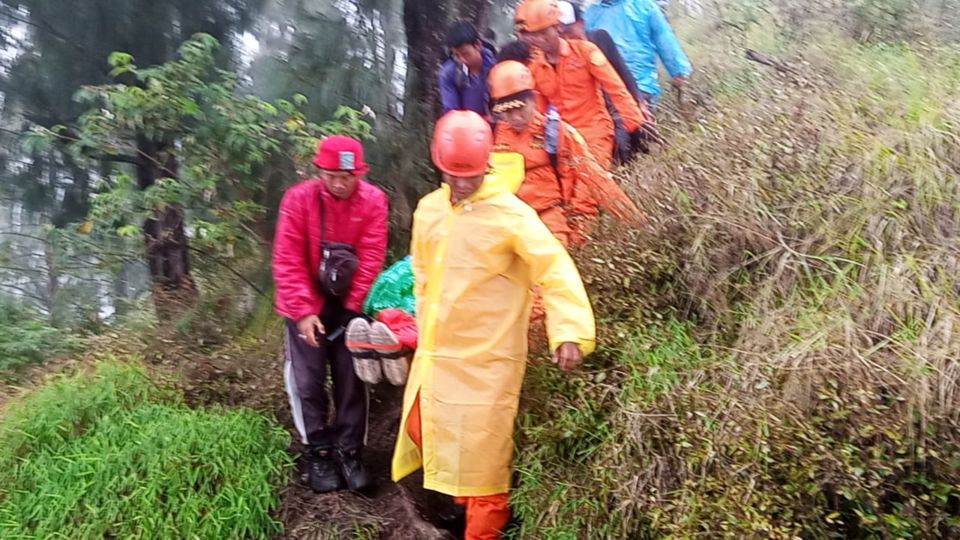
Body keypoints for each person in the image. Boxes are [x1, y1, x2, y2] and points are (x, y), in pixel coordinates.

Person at [391, 110, 596, 540]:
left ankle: (482, 528)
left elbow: (554, 267)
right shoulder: (430, 210)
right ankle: (459, 506)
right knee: (422, 429)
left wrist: (569, 330)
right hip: (437, 355)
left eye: (470, 175)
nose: (462, 184)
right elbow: (423, 276)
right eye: (453, 174)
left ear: (488, 164)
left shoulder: (511, 215)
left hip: (488, 362)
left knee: (485, 467)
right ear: (439, 164)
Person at [273, 135, 388, 494]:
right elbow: (287, 259)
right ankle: (318, 450)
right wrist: (305, 312)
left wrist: (353, 309)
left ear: (359, 173)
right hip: (304, 303)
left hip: (348, 305)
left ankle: (350, 450)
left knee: (352, 380)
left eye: (348, 176)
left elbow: (371, 257)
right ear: (319, 171)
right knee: (307, 381)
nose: (339, 183)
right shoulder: (298, 200)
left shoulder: (374, 201)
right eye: (332, 175)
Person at [488, 60, 643, 246]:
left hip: (551, 221)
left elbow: (596, 177)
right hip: (510, 224)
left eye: (520, 108)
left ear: (533, 98)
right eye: (506, 111)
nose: (514, 117)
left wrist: (636, 222)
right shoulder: (495, 137)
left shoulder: (555, 131)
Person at [514, 0, 652, 169]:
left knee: (591, 181)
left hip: (596, 134)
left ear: (558, 27)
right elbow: (540, 115)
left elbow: (616, 89)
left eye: (543, 32)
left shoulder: (586, 52)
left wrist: (636, 126)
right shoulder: (535, 68)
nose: (538, 39)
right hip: (564, 141)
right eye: (532, 34)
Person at [558, 0, 651, 162]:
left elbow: (623, 72)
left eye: (567, 29)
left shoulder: (599, 39)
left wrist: (640, 102)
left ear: (580, 23)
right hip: (591, 117)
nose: (564, 36)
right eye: (559, 32)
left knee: (639, 139)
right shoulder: (560, 57)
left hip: (616, 105)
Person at [584, 0, 693, 105]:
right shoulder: (591, 12)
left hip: (639, 86)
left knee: (640, 121)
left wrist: (679, 71)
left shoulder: (643, 5)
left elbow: (664, 38)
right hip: (608, 88)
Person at [439, 20, 497, 116]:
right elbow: (452, 113)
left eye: (465, 54)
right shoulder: (449, 73)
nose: (462, 60)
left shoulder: (497, 65)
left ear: (478, 45)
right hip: (467, 125)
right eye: (456, 55)